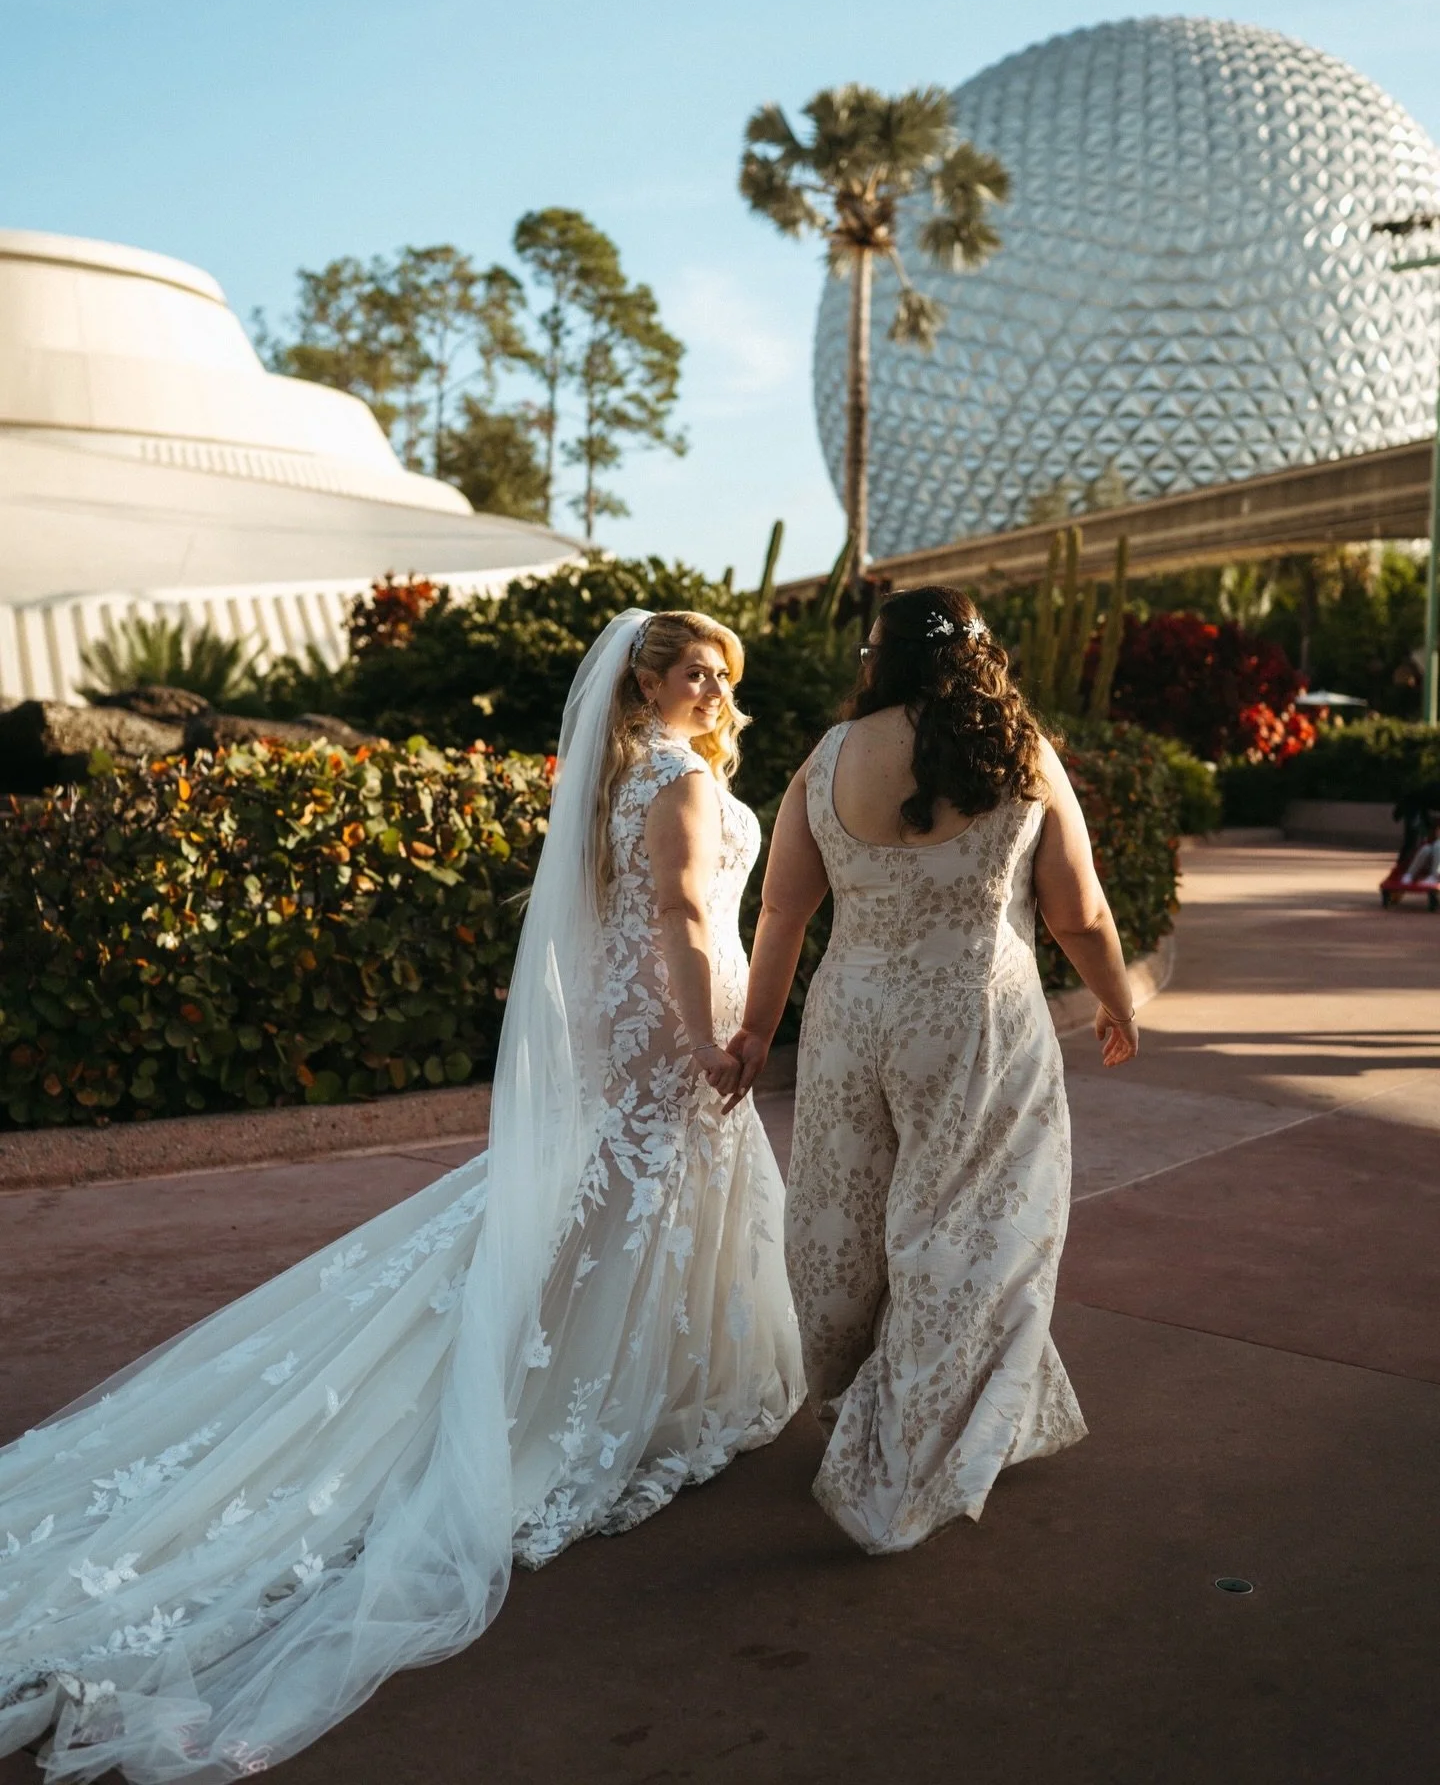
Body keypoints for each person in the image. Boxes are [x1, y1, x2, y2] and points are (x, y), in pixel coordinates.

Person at [0, 610, 802, 1783]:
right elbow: (682, 913)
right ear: (645, 683)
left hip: (629, 1016)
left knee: (614, 1197)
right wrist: (708, 1036)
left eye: (724, 675)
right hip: (670, 1019)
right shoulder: (675, 779)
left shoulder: (615, 779)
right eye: (694, 672)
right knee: (630, 1194)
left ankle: (606, 1364)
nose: (715, 691)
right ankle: (572, 1385)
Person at [725, 584, 1138, 1554]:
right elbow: (1078, 912)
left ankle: (852, 1402)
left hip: (850, 1020)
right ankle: (906, 1452)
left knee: (841, 1217)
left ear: (880, 659)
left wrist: (755, 1032)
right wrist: (1117, 999)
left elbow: (783, 911)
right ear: (983, 657)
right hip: (973, 1021)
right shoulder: (1021, 755)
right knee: (971, 1230)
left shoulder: (831, 756)